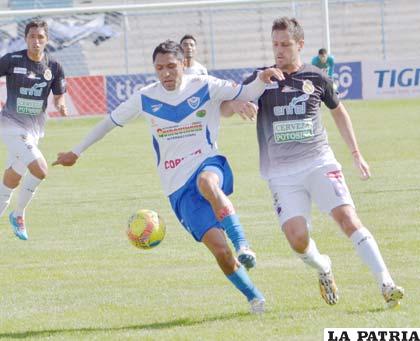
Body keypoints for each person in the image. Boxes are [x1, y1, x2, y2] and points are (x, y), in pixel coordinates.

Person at [52, 40, 283, 313]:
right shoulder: (145, 97)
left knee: (207, 182)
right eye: (160, 68)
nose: (166, 73)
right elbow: (107, 123)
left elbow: (247, 90)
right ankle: (255, 298)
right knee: (221, 252)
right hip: (177, 187)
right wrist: (76, 152)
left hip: (207, 162)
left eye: (171, 66)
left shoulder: (204, 84)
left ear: (183, 64)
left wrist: (262, 77)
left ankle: (243, 243)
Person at [222, 17, 404, 308]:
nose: (278, 51)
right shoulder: (261, 77)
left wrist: (356, 153)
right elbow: (226, 107)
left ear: (300, 45)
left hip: (320, 162)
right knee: (297, 239)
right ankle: (324, 267)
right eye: (275, 45)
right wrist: (239, 103)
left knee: (347, 219)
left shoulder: (317, 76)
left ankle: (387, 283)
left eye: (285, 44)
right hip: (281, 175)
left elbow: (339, 111)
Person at [0, 19, 68, 240]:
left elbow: (59, 95)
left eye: (40, 37)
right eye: (32, 37)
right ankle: (18, 214)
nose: (36, 41)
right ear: (25, 38)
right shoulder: (12, 60)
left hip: (33, 130)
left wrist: (61, 104)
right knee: (40, 169)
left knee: (13, 177)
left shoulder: (54, 66)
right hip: (9, 125)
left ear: (46, 40)